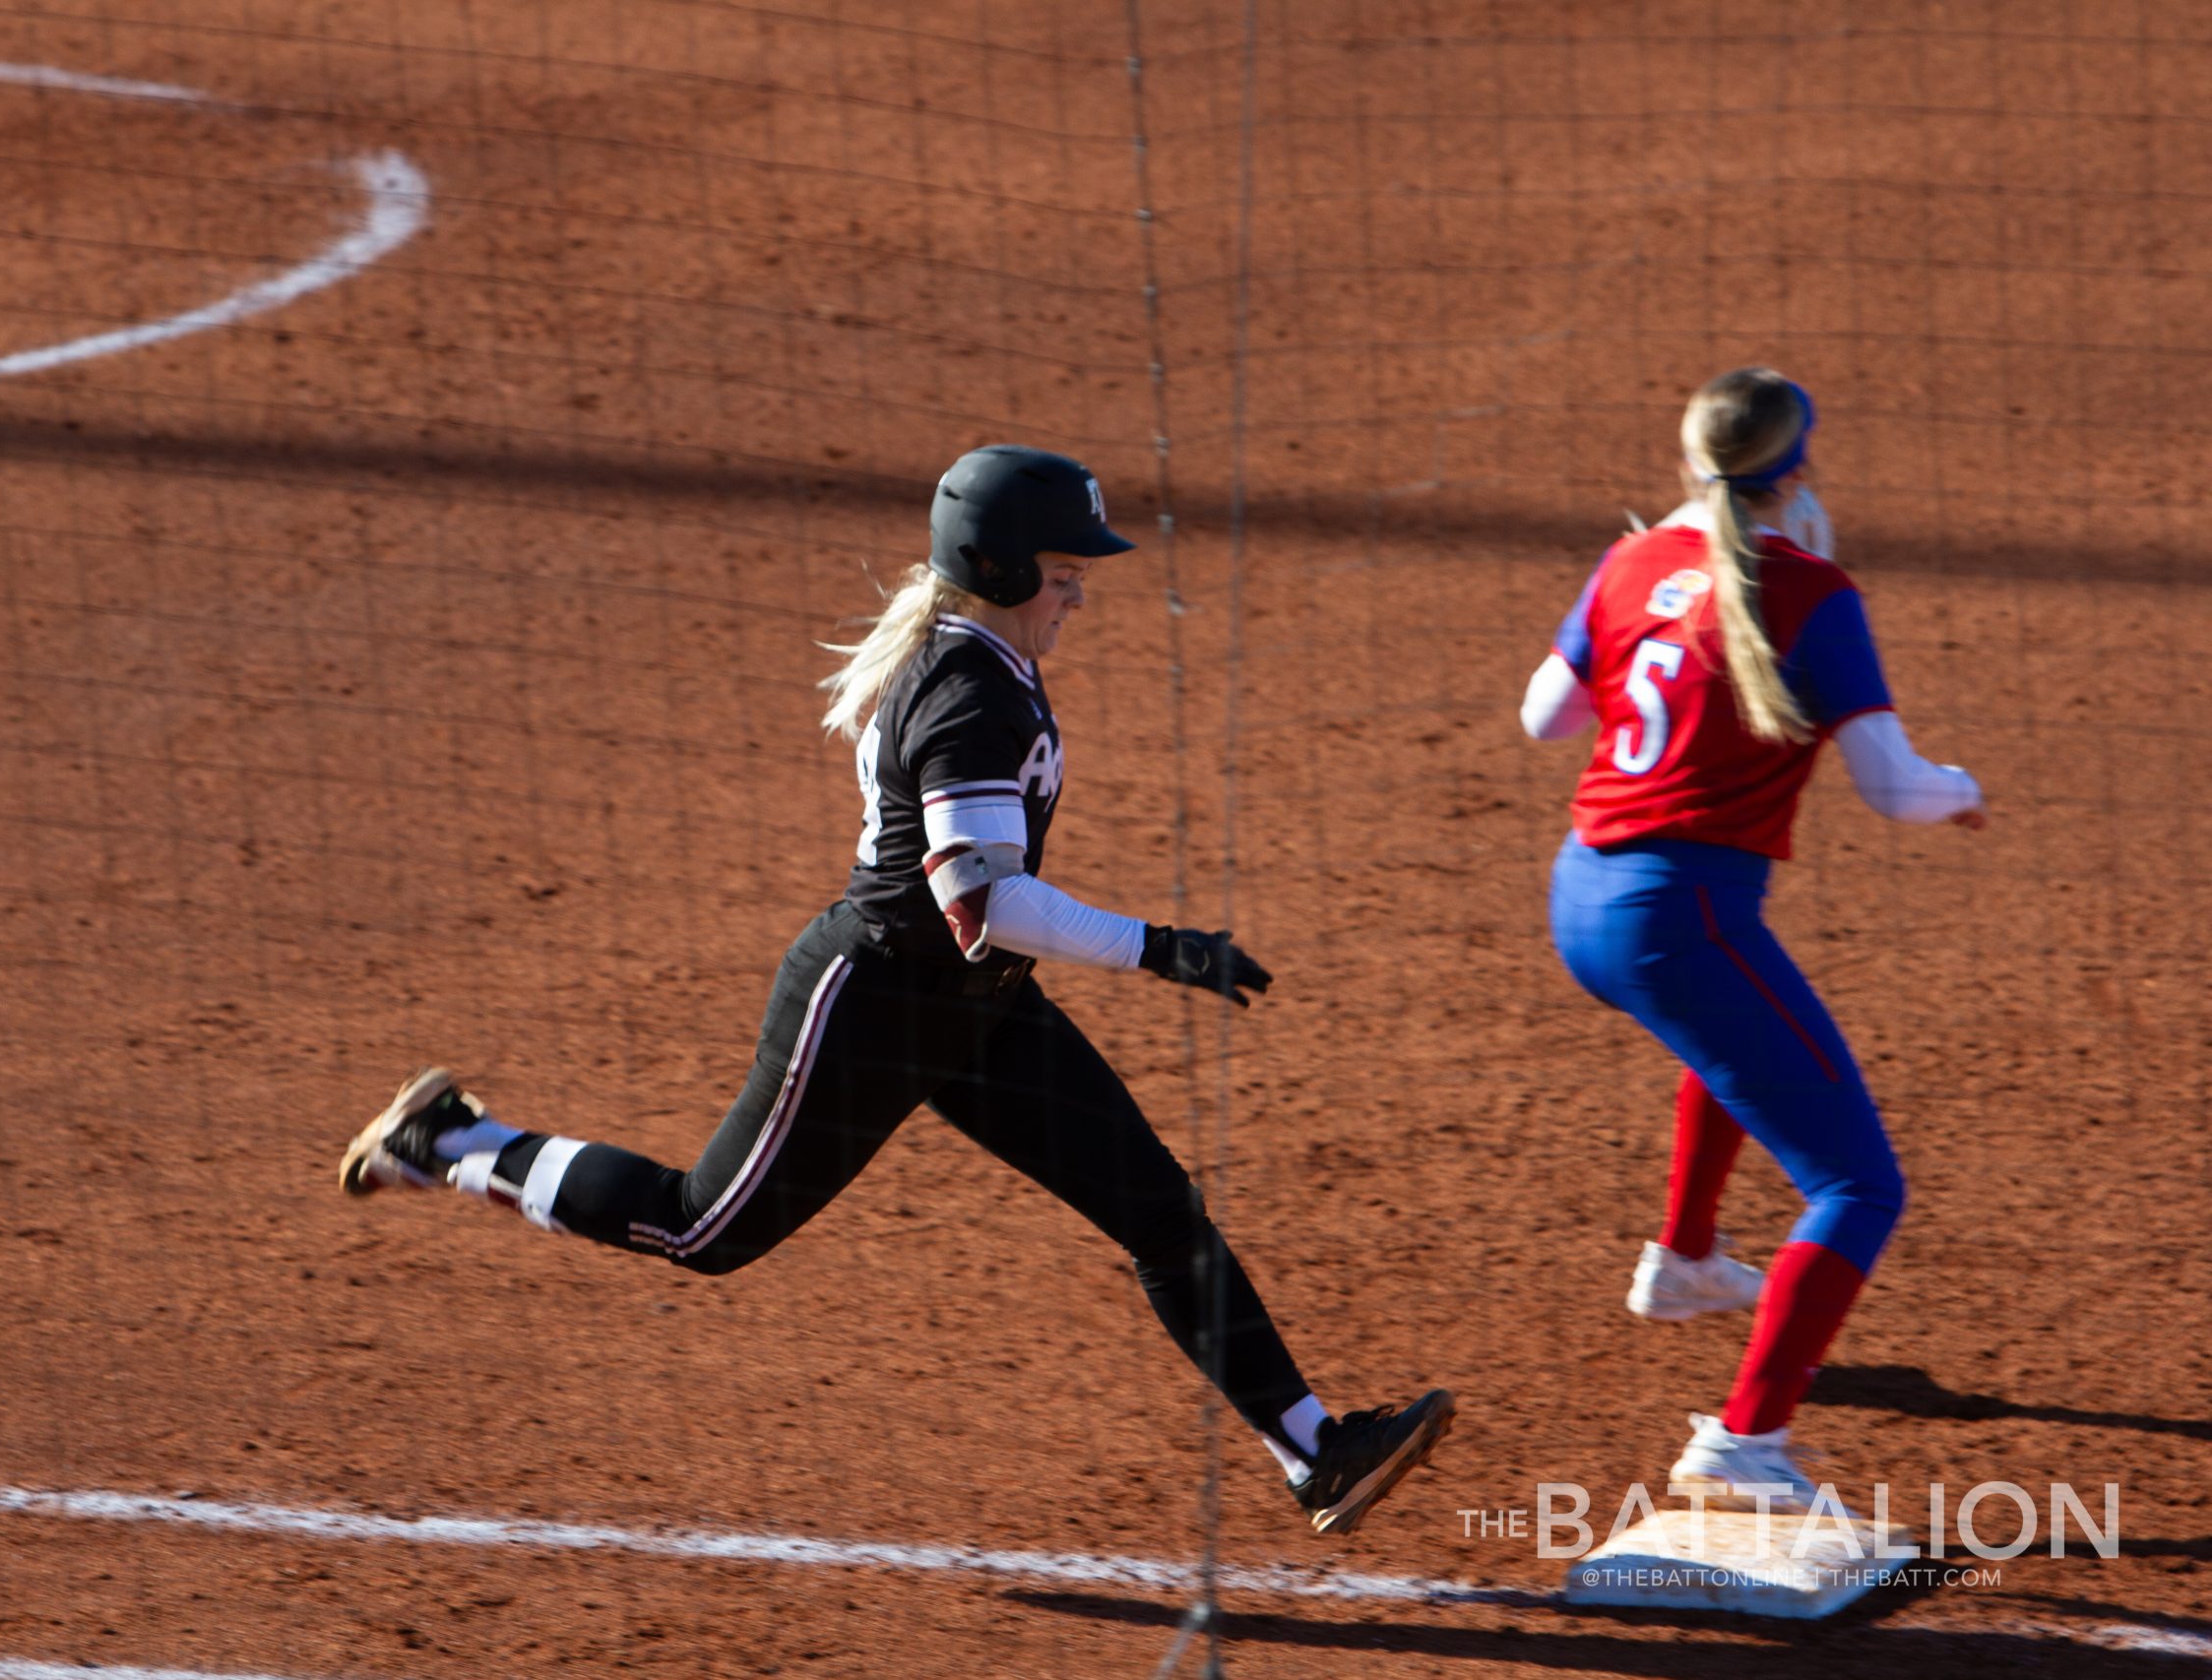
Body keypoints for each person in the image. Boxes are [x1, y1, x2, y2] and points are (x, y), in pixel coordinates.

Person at [342, 445, 1453, 1534]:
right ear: (1008, 568)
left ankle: (1314, 1450)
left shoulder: (982, 667)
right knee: (701, 1228)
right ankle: (445, 1141)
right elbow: (987, 904)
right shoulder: (968, 692)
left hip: (975, 1005)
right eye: (1067, 573)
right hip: (870, 1003)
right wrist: (1162, 949)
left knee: (1159, 1212)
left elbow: (980, 925)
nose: (1080, 595)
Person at [1521, 369, 1986, 1511]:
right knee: (1857, 1186)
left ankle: (1683, 1265)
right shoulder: (1813, 591)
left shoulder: (1629, 562)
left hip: (1581, 897)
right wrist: (1959, 788)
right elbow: (1893, 789)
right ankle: (1745, 1443)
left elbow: (1545, 716)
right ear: (1800, 470)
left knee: (1726, 1040)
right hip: (1675, 919)